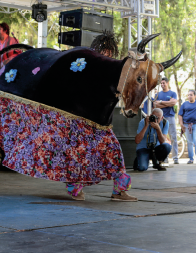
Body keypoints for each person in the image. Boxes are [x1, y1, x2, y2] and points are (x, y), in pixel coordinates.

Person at [65, 30, 137, 201]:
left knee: (116, 155)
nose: (107, 54)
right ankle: (75, 190)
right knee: (79, 157)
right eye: (104, 51)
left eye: (110, 51)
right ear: (97, 51)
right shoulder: (87, 68)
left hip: (103, 125)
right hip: (83, 122)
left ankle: (119, 191)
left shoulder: (115, 70)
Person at [153, 77, 179, 164]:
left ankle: (175, 158)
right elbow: (155, 105)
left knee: (173, 138)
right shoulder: (158, 94)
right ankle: (165, 158)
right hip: (161, 118)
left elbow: (173, 103)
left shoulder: (173, 93)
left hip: (171, 117)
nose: (162, 85)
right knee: (162, 138)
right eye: (161, 83)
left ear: (167, 83)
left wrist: (160, 102)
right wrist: (167, 103)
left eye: (164, 83)